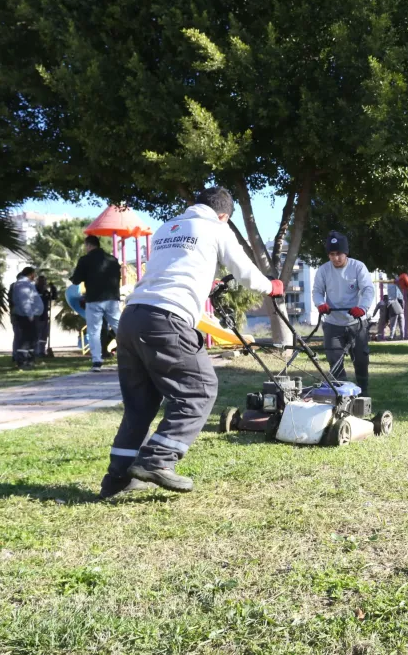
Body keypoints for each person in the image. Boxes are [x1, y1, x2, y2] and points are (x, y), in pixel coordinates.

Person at [100, 187, 283, 499]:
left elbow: (174, 268)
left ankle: (117, 478)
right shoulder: (216, 228)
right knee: (200, 390)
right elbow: (245, 273)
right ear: (223, 215)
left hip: (132, 317)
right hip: (166, 318)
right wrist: (271, 286)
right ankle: (158, 460)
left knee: (140, 405)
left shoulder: (166, 228)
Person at [313, 231, 375, 396]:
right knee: (334, 359)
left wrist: (362, 307)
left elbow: (368, 289)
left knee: (361, 359)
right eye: (331, 254)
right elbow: (317, 291)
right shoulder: (323, 270)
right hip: (333, 322)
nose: (335, 258)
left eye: (339, 253)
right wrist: (320, 304)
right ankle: (342, 393)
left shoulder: (358, 267)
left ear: (346, 253)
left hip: (356, 322)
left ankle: (363, 392)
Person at [70, 235, 122, 372]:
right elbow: (118, 277)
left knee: (94, 331)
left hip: (94, 299)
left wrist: (74, 277)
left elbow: (76, 280)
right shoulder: (113, 260)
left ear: (88, 245)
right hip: (112, 299)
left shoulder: (85, 260)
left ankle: (97, 361)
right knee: (119, 328)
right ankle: (131, 356)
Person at [10, 267, 45, 368]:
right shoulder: (22, 284)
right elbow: (24, 301)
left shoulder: (27, 283)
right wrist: (30, 315)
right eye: (34, 274)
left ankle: (30, 360)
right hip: (26, 316)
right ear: (31, 274)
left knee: (32, 339)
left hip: (32, 315)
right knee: (25, 339)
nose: (35, 276)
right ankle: (22, 360)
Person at [34, 274, 58, 358]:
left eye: (44, 282)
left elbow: (53, 297)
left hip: (44, 316)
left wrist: (53, 288)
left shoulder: (45, 292)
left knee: (44, 335)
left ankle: (41, 351)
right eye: (41, 282)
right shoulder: (34, 291)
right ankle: (35, 351)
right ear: (37, 282)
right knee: (36, 334)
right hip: (35, 316)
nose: (42, 284)